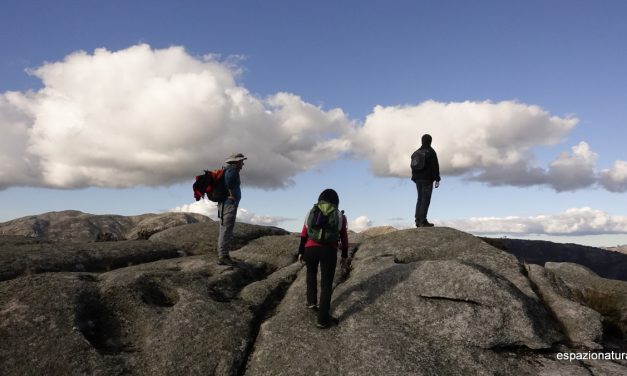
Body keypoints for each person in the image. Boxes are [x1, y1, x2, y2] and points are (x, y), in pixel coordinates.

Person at [298, 189, 349, 329]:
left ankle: (311, 302)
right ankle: (322, 320)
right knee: (326, 284)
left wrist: (301, 251)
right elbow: (344, 237)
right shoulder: (340, 216)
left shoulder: (311, 212)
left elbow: (304, 234)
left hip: (310, 249)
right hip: (329, 251)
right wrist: (344, 256)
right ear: (336, 201)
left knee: (311, 274)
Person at [217, 153, 247, 266]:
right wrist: (232, 195)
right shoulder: (232, 171)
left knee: (224, 229)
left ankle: (223, 255)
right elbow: (229, 182)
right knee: (226, 230)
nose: (243, 163)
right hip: (229, 204)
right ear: (236, 162)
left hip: (225, 204)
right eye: (241, 161)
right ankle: (223, 256)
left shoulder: (228, 170)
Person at [411, 134, 441, 227]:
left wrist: (415, 178)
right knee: (425, 199)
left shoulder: (416, 152)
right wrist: (437, 178)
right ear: (430, 141)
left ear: (422, 141)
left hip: (418, 179)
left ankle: (417, 220)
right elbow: (435, 166)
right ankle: (423, 221)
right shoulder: (431, 152)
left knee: (419, 199)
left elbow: (413, 166)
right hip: (427, 179)